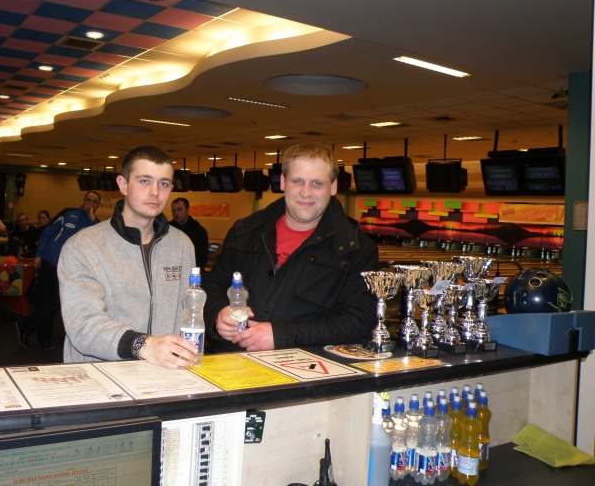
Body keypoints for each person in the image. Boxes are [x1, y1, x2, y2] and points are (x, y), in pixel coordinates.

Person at [202, 142, 378, 353]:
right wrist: (218, 313)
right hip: (231, 360)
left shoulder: (355, 247)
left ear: (332, 187)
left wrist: (280, 336)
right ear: (283, 182)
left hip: (305, 366)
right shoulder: (244, 231)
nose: (306, 192)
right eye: (298, 181)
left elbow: (359, 322)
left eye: (317, 183)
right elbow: (213, 286)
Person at [59, 146, 198, 368]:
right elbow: (83, 325)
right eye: (144, 181)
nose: (155, 191)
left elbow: (189, 312)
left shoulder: (182, 245)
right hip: (101, 376)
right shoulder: (83, 246)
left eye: (163, 184)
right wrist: (143, 345)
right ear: (123, 185)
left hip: (164, 376)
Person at [17, 192, 101, 349]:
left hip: (69, 268)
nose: (90, 203)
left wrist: (92, 217)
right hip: (50, 261)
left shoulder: (94, 224)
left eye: (94, 202)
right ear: (83, 200)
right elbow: (48, 232)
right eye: (88, 200)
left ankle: (25, 325)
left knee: (55, 302)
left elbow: (97, 242)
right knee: (44, 300)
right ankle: (44, 338)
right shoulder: (68, 214)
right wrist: (38, 255)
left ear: (98, 205)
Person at [169, 197, 210, 272]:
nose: (176, 213)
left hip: (191, 272)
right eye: (173, 210)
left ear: (187, 210)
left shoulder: (199, 231)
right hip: (169, 271)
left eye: (179, 209)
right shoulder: (166, 230)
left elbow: (201, 260)